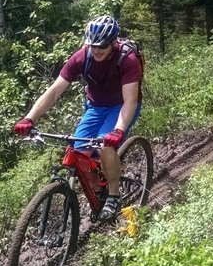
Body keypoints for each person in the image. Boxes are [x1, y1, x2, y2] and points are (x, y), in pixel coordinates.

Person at [13, 15, 143, 221]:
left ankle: (113, 195)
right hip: (96, 107)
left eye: (102, 45)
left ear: (113, 42)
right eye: (93, 45)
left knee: (104, 146)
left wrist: (118, 130)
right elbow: (54, 91)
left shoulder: (127, 59)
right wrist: (30, 119)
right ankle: (97, 191)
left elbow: (130, 101)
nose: (97, 49)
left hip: (122, 106)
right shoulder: (82, 57)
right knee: (77, 151)